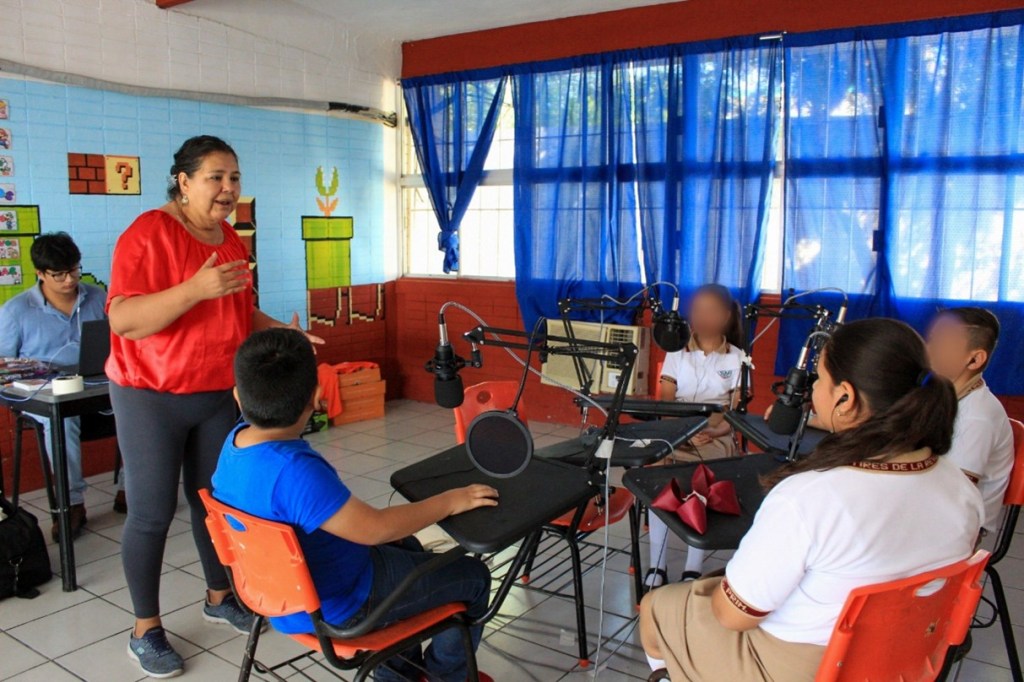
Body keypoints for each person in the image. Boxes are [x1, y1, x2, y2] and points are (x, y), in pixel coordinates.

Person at [639, 318, 983, 681]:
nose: (812, 389)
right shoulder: (960, 487)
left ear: (845, 397)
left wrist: (722, 582)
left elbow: (733, 616)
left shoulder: (809, 498)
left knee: (657, 606)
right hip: (902, 657)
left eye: (818, 379)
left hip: (806, 668)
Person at [107, 135, 323, 678]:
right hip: (149, 395)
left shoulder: (229, 240)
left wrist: (284, 334)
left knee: (213, 505)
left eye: (234, 179)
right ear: (182, 181)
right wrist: (194, 289)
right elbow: (124, 320)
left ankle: (219, 595)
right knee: (152, 514)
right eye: (215, 178)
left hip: (213, 393)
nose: (228, 189)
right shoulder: (148, 233)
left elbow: (236, 315)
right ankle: (145, 629)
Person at [214, 328, 497, 682]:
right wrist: (451, 500)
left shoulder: (234, 444)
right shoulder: (294, 472)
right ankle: (448, 677)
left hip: (277, 598)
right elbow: (376, 528)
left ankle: (399, 675)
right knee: (474, 577)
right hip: (343, 604)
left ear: (239, 397)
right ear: (317, 397)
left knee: (407, 547)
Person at [0, 232, 123, 539]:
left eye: (74, 270)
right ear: (40, 273)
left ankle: (129, 491)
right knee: (62, 424)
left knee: (138, 409)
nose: (70, 280)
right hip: (46, 400)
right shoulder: (16, 311)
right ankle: (71, 504)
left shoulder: (98, 298)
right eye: (59, 274)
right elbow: (3, 369)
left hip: (98, 389)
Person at [646, 283, 745, 588]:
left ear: (727, 316)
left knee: (702, 478)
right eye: (698, 309)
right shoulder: (677, 352)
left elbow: (734, 411)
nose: (703, 316)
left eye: (712, 310)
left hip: (717, 435)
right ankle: (657, 564)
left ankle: (693, 565)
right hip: (675, 433)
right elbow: (665, 401)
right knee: (656, 476)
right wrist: (683, 434)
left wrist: (715, 430)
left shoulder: (737, 358)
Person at [926, 307, 1014, 534]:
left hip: (955, 529)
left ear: (974, 359)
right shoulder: (945, 395)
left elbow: (954, 497)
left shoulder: (977, 416)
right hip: (931, 508)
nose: (929, 350)